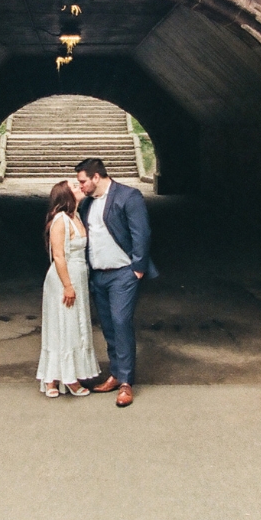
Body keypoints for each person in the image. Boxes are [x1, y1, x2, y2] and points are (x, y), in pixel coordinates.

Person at [76, 157, 158, 408]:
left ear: (96, 177)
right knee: (109, 325)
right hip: (98, 274)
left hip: (123, 273)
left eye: (82, 181)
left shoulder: (128, 196)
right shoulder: (87, 203)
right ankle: (115, 373)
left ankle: (126, 383)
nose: (80, 186)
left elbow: (141, 232)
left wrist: (138, 269)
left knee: (121, 322)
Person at [36, 178, 100, 397]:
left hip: (78, 277)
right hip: (65, 279)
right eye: (74, 187)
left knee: (74, 325)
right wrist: (67, 286)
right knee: (62, 325)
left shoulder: (77, 216)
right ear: (65, 196)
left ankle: (63, 375)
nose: (79, 187)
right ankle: (57, 379)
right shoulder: (61, 220)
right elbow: (59, 256)